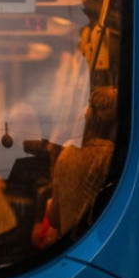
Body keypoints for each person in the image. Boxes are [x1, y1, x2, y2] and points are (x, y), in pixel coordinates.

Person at [40, 86, 117, 247]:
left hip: (71, 248)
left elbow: (54, 218)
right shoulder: (113, 157)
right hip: (104, 247)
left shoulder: (67, 155)